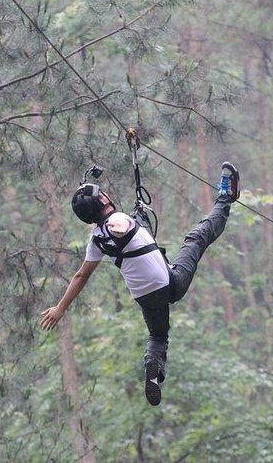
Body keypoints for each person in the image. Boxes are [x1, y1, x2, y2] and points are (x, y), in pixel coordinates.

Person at [40, 162, 240, 406]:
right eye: (103, 194)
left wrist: (60, 308)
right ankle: (226, 197)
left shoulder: (96, 240)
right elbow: (121, 227)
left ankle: (153, 368)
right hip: (170, 283)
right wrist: (119, 223)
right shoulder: (117, 221)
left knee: (158, 336)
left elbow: (80, 276)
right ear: (103, 201)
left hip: (145, 296)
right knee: (197, 238)